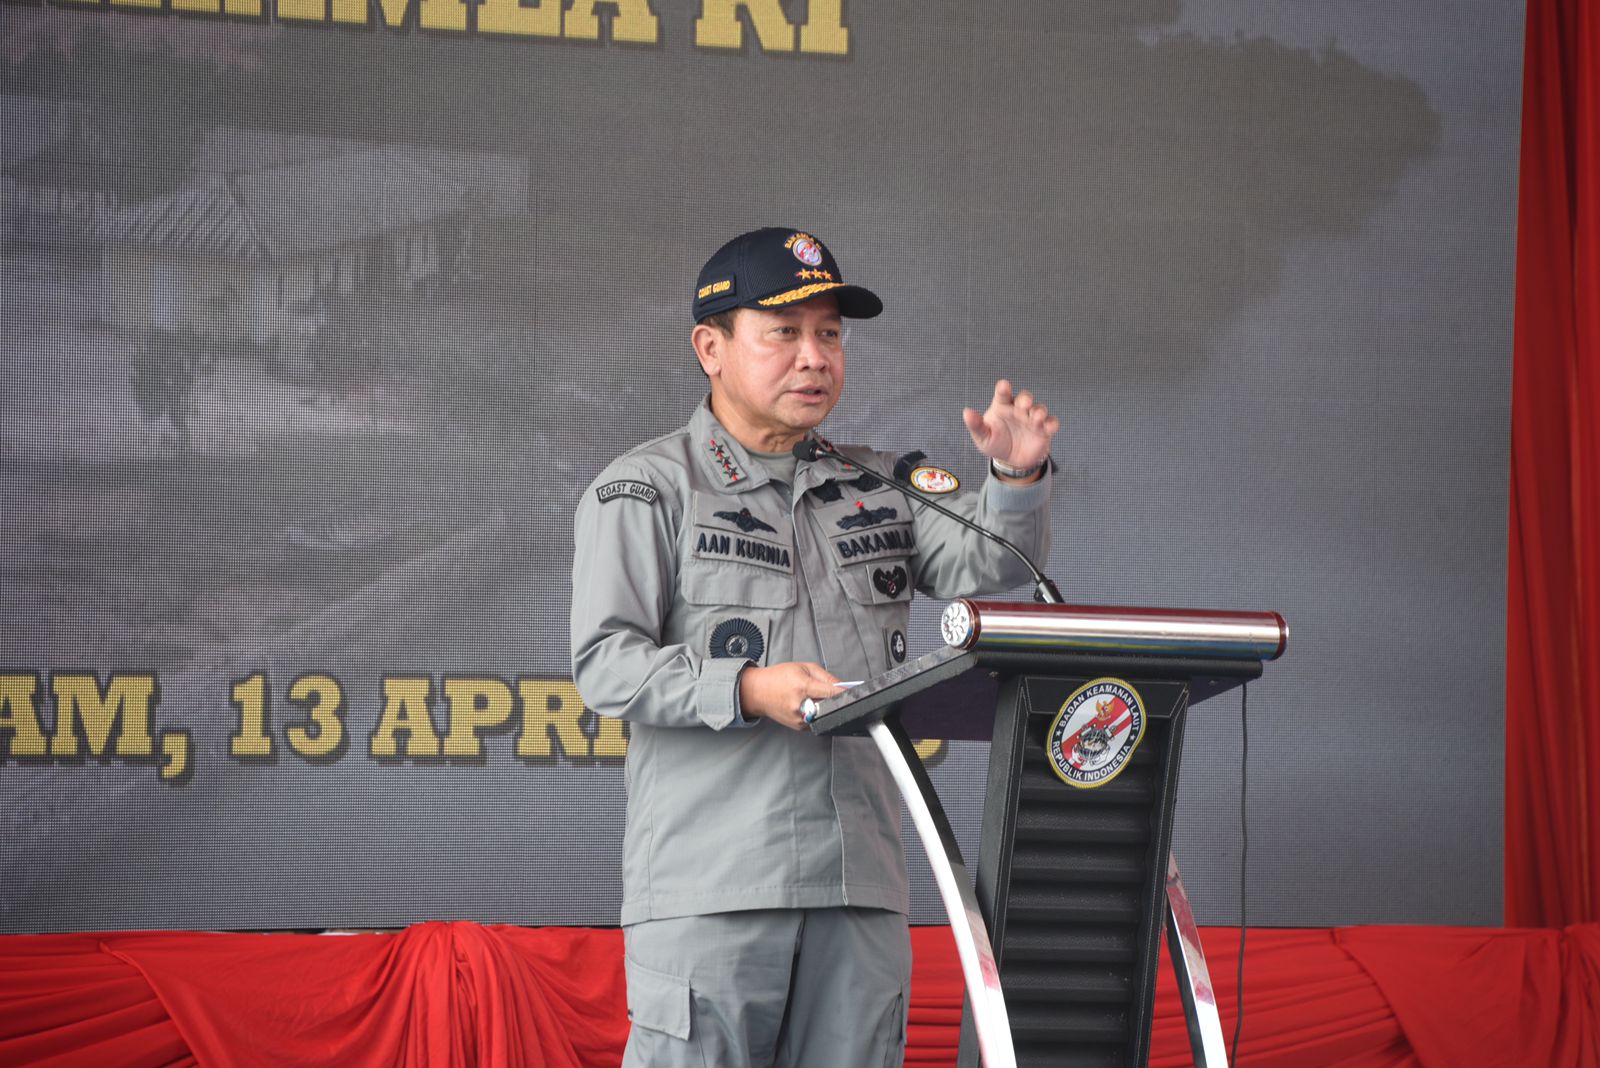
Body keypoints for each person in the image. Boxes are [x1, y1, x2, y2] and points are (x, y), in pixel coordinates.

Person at [570, 226, 1059, 1067]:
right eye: (784, 333)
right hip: (713, 890)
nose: (814, 357)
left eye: (829, 335)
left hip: (857, 887)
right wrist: (747, 688)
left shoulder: (879, 485)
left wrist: (1015, 482)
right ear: (711, 347)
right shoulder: (646, 487)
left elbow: (989, 559)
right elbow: (606, 664)